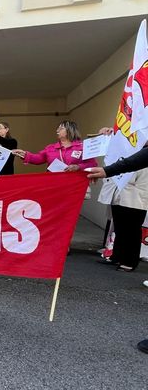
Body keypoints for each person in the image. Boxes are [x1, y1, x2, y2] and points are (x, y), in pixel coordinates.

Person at [87, 146, 148, 355]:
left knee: (131, 229)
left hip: (137, 190)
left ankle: (129, 260)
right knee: (121, 227)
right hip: (122, 186)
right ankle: (118, 255)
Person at [12, 120, 97, 171]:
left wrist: (78, 167)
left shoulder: (82, 147)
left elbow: (93, 164)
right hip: (55, 184)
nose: (57, 130)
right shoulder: (51, 148)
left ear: (70, 130)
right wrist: (24, 154)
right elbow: (38, 158)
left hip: (75, 185)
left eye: (61, 128)